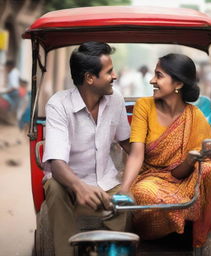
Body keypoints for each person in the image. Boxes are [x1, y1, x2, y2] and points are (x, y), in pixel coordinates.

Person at [119, 53, 211, 247]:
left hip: (182, 180)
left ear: (178, 84)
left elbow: (179, 173)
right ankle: (177, 218)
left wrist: (190, 160)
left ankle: (184, 217)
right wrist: (125, 190)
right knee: (145, 193)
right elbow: (136, 154)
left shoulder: (196, 118)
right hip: (150, 178)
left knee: (210, 170)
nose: (152, 80)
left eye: (158, 75)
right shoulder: (144, 106)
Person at [42, 42, 130, 256]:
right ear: (90, 78)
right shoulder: (58, 104)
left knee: (129, 196)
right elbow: (56, 163)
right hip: (68, 184)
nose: (115, 76)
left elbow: (128, 143)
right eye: (109, 72)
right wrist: (80, 188)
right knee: (53, 187)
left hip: (107, 183)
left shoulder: (115, 99)